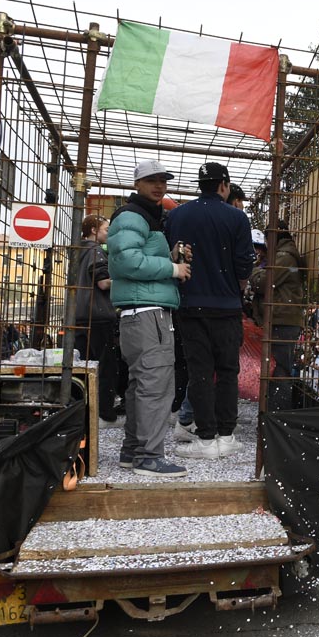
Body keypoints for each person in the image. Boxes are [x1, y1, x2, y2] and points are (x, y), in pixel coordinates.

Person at [108, 160, 191, 477]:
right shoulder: (133, 215)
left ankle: (133, 452)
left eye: (163, 180)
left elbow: (132, 256)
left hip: (139, 314)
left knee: (140, 385)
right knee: (155, 387)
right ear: (138, 183)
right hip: (147, 315)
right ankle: (149, 457)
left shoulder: (142, 216)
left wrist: (170, 258)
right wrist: (172, 269)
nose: (159, 185)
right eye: (151, 180)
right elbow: (126, 261)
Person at [165, 162, 254, 459]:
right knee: (228, 371)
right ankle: (226, 435)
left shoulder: (177, 216)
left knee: (200, 371)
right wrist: (236, 284)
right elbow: (244, 265)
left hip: (190, 304)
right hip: (227, 306)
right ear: (224, 186)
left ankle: (204, 438)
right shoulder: (237, 218)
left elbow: (172, 255)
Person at [74, 214, 120, 428]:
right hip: (99, 315)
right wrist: (124, 279)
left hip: (80, 315)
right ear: (94, 230)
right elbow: (103, 283)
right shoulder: (96, 251)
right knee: (106, 367)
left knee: (85, 366)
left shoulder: (78, 251)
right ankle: (105, 414)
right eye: (106, 230)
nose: (108, 234)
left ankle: (83, 412)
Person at [253, 222, 306, 411]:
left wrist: (255, 270)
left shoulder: (284, 257)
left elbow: (263, 282)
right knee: (277, 369)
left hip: (283, 319)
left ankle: (277, 416)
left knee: (280, 371)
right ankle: (273, 413)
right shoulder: (283, 255)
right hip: (282, 318)